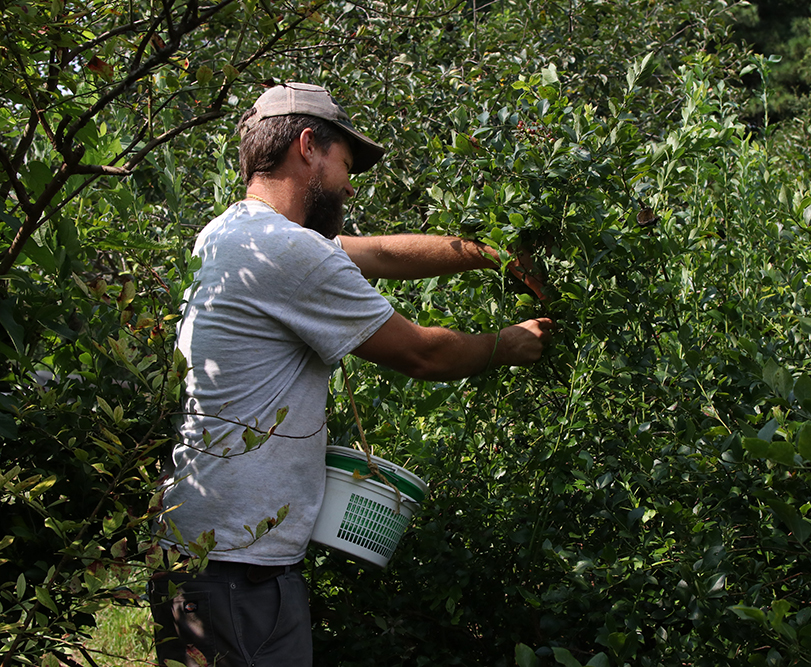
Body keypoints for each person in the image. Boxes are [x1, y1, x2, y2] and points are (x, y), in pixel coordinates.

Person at [150, 82, 553, 666]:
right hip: (240, 569)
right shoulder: (285, 252)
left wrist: (490, 254)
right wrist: (509, 345)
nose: (350, 181)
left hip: (201, 550)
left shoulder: (230, 234)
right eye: (345, 161)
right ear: (307, 146)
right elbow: (423, 356)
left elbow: (384, 254)